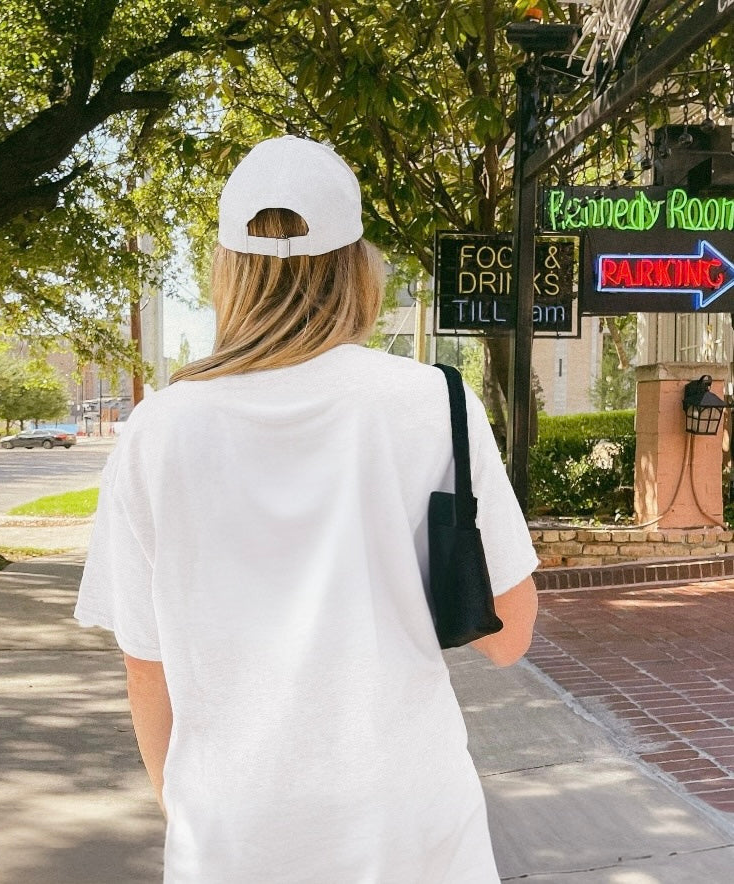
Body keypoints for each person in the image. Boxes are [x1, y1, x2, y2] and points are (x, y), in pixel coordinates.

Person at [74, 135, 539, 883]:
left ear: (228, 270)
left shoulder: (157, 431)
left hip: (233, 832)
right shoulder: (432, 403)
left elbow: (146, 668)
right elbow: (508, 635)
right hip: (410, 829)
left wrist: (185, 811)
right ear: (358, 264)